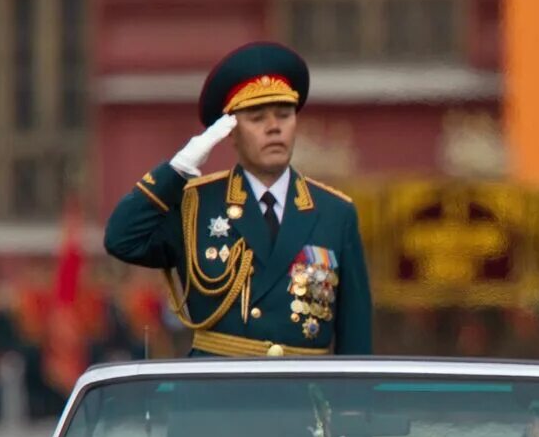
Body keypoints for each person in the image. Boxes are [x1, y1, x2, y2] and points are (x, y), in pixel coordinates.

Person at [104, 41, 373, 357]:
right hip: (217, 395)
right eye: (257, 118)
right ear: (229, 132)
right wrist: (177, 169)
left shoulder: (334, 212)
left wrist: (353, 406)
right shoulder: (196, 205)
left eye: (284, 115)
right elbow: (122, 239)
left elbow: (356, 334)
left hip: (302, 394)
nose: (274, 128)